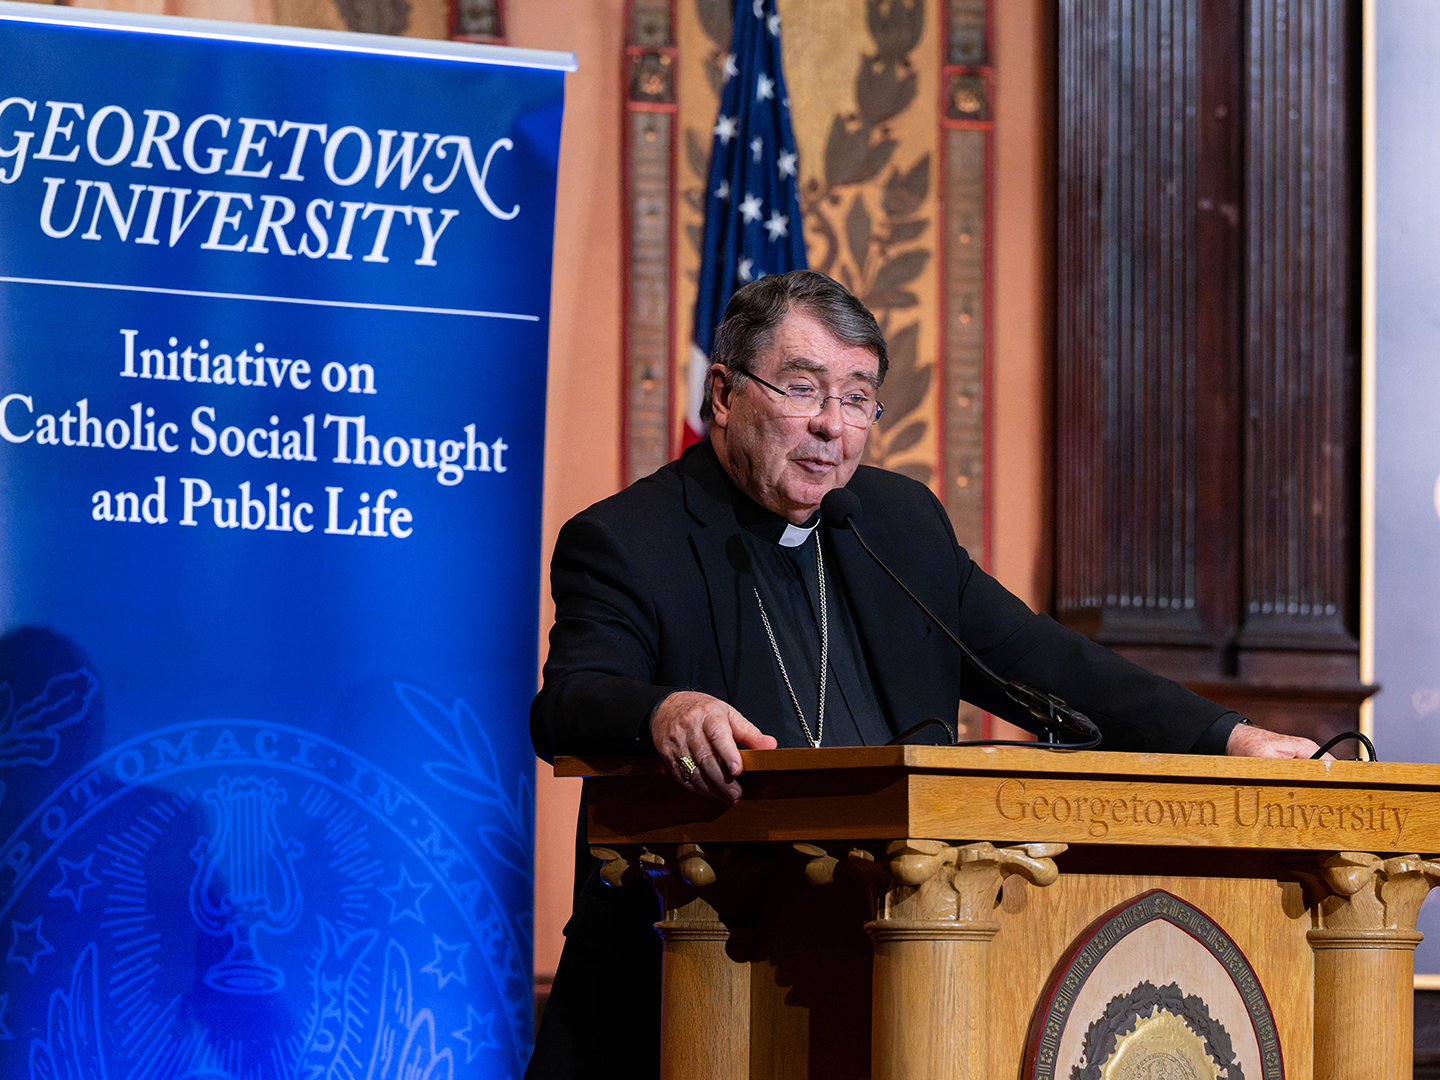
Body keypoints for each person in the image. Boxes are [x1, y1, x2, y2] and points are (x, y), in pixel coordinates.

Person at [525, 270, 1319, 1078]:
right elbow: (569, 703)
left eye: (857, 398)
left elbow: (1040, 661)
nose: (832, 426)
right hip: (679, 991)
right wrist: (666, 711)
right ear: (724, 394)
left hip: (904, 974)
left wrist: (1226, 738)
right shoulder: (628, 539)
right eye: (802, 389)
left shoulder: (895, 523)